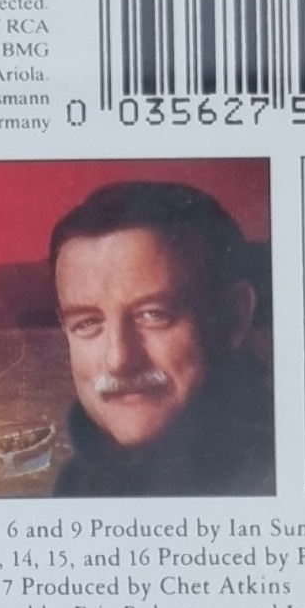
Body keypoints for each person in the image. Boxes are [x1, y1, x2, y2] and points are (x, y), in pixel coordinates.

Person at [48, 182, 274, 497]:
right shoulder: (73, 486)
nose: (118, 360)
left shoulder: (278, 476)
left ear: (234, 317)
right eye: (87, 323)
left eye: (153, 315)